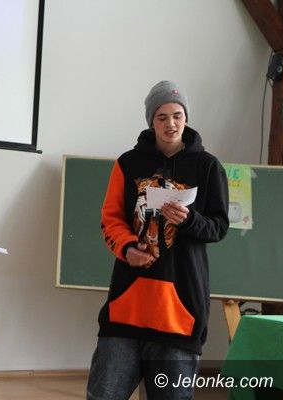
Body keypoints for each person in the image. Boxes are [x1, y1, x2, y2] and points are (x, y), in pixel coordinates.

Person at [86, 81, 229, 400]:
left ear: (186, 118)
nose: (171, 123)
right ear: (152, 121)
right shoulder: (127, 163)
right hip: (127, 307)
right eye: (162, 117)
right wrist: (127, 248)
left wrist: (189, 220)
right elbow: (111, 219)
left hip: (179, 310)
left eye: (177, 115)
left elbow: (219, 227)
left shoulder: (208, 166)